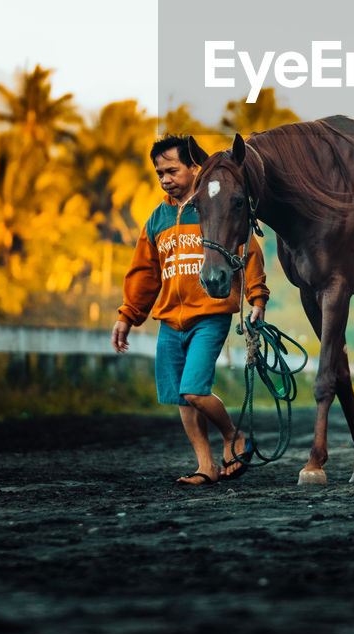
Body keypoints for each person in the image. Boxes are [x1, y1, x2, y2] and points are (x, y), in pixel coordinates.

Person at [111, 133, 269, 487]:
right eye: (159, 173)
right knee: (182, 397)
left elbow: (249, 250)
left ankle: (233, 436)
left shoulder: (213, 205)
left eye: (172, 169)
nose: (165, 178)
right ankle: (206, 466)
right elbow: (144, 273)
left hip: (209, 314)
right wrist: (127, 316)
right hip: (170, 320)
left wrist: (257, 297)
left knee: (195, 389)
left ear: (192, 167)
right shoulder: (157, 219)